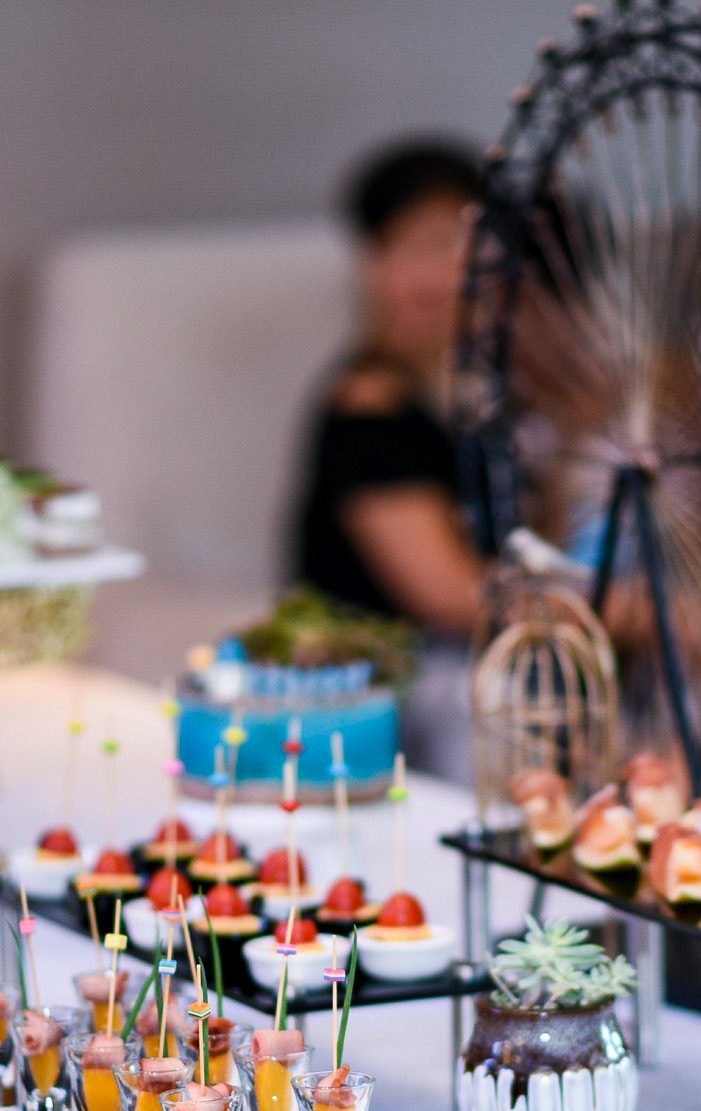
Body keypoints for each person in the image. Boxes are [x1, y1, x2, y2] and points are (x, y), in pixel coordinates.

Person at [291, 139, 490, 779]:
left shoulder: (470, 395)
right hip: (383, 690)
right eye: (416, 247)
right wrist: (627, 613)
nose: (439, 274)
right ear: (372, 263)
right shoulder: (367, 408)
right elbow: (449, 597)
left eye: (456, 246)